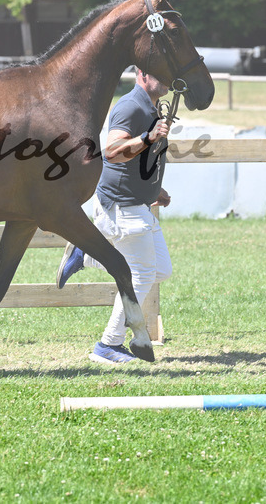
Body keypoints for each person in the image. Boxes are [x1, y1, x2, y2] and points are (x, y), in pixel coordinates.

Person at [57, 67, 173, 364]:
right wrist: (148, 137)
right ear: (143, 74)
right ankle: (109, 345)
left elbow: (136, 160)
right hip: (122, 206)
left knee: (160, 270)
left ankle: (87, 254)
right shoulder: (130, 106)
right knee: (143, 274)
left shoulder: (148, 106)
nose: (167, 78)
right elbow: (111, 151)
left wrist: (152, 188)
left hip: (136, 201)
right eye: (161, 73)